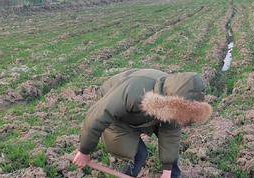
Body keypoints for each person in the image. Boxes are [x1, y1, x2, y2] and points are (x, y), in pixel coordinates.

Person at [72, 69, 212, 178]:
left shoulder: (176, 104)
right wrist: (84, 151)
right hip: (117, 115)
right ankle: (129, 172)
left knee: (171, 163)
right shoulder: (133, 92)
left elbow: (170, 135)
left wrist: (167, 170)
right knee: (139, 154)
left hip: (142, 112)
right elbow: (96, 116)